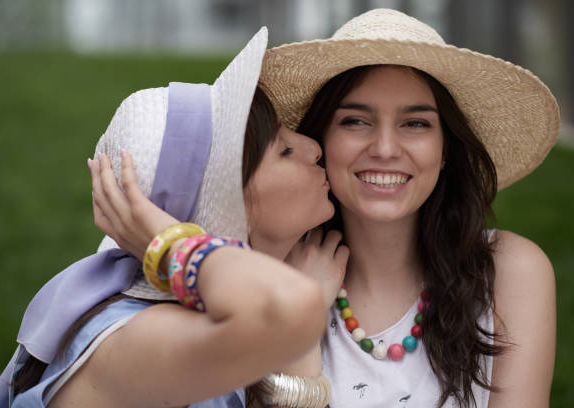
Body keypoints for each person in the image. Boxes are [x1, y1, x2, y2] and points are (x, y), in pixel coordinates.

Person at [100, 9, 559, 408]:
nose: (384, 148)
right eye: (355, 121)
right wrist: (302, 330)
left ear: (446, 150)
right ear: (321, 140)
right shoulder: (261, 284)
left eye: (415, 123)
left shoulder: (509, 272)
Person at [0, 28, 346, 408]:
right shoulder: (136, 338)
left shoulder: (182, 328)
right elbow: (287, 307)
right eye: (284, 150)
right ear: (230, 205)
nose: (314, 147)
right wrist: (166, 240)